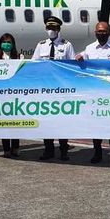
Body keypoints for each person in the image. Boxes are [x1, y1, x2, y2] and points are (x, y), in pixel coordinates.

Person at [76, 21, 110, 164]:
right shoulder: (90, 49)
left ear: (109, 32)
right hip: (95, 92)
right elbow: (81, 60)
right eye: (99, 31)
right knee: (96, 124)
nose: (101, 33)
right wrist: (79, 58)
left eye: (104, 31)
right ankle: (97, 153)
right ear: (95, 32)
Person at [32, 16, 75, 161]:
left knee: (62, 121)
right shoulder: (41, 45)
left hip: (61, 89)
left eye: (54, 28)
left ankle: (64, 151)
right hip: (45, 89)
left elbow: (72, 66)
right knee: (47, 120)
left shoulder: (66, 45)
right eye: (49, 28)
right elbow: (34, 65)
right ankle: (48, 150)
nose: (51, 31)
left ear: (59, 29)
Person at [0, 33, 23, 158]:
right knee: (4, 123)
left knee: (16, 123)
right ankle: (6, 149)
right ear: (0, 44)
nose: (7, 44)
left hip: (15, 94)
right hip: (2, 95)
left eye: (9, 42)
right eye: (5, 42)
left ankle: (15, 148)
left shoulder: (19, 56)